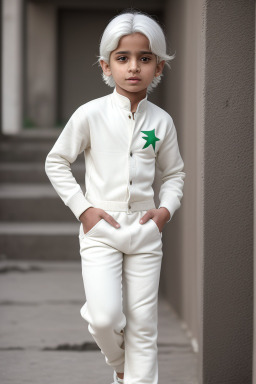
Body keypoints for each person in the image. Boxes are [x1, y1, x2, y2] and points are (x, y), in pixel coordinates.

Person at [45, 10, 186, 384]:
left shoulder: (161, 122)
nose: (133, 67)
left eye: (145, 58)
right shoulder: (89, 115)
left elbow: (174, 174)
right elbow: (56, 162)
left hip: (144, 229)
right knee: (105, 317)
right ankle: (118, 363)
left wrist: (164, 212)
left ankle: (136, 378)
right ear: (107, 66)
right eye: (123, 59)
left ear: (158, 68)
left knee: (143, 327)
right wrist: (84, 210)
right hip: (100, 229)